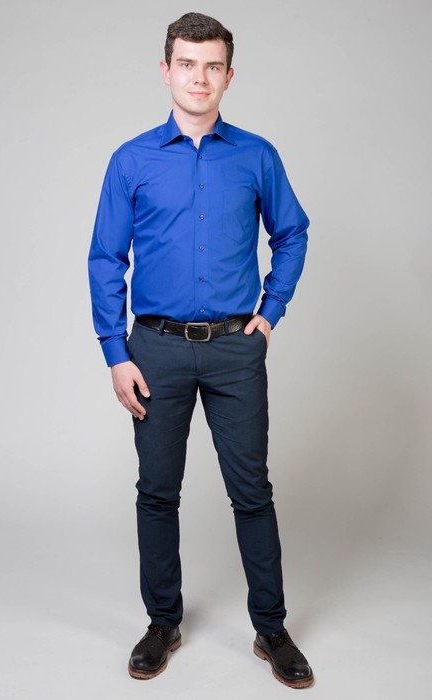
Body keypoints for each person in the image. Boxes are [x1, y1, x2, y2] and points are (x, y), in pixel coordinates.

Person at [88, 12, 313, 689]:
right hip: (153, 350)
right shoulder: (131, 160)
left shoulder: (256, 156)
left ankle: (271, 629)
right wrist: (115, 352)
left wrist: (271, 313)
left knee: (253, 492)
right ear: (166, 70)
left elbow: (292, 233)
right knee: (157, 493)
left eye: (212, 65)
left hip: (233, 352)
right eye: (187, 63)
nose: (199, 77)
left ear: (228, 76)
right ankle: (163, 622)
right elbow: (105, 258)